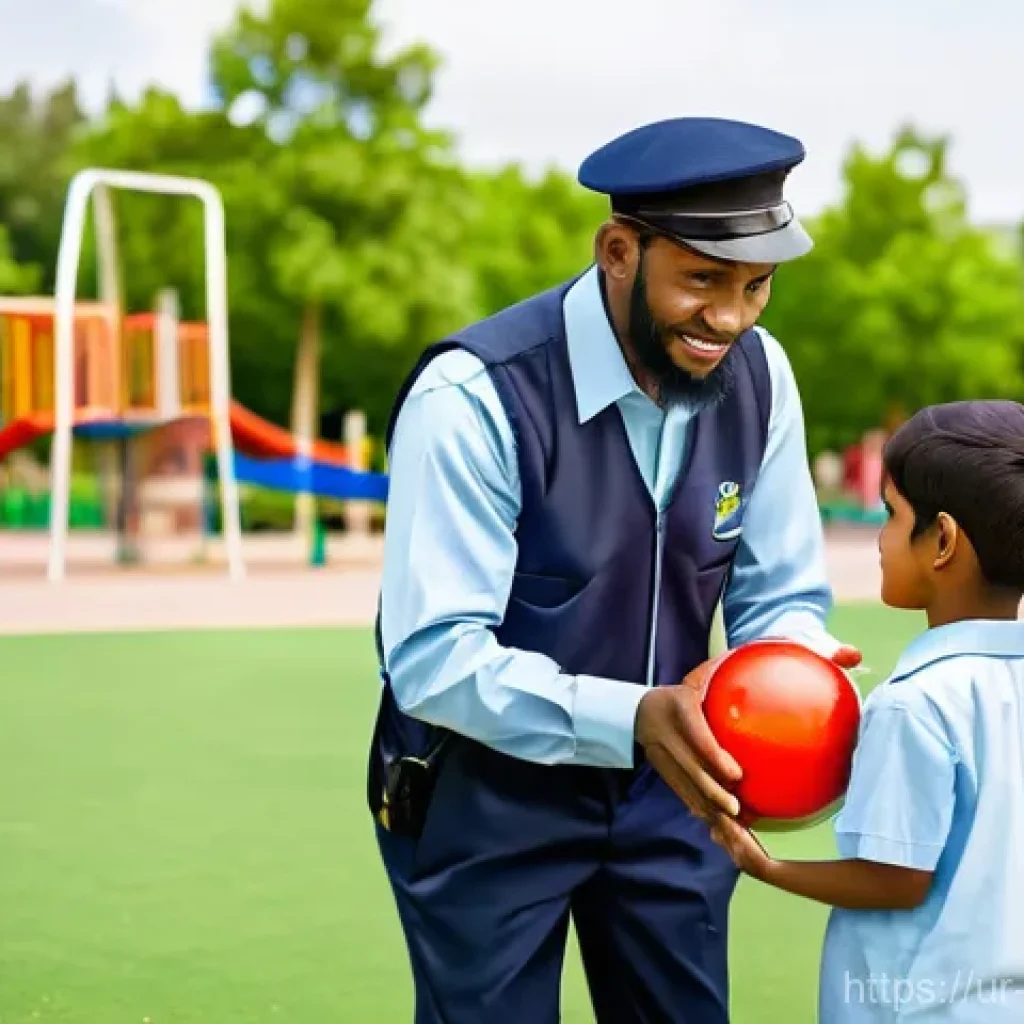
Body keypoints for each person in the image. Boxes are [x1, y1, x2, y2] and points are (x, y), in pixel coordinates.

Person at [367, 116, 861, 1023]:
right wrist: (632, 716)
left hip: (675, 797)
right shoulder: (473, 396)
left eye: (758, 286)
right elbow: (434, 655)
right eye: (704, 280)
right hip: (484, 796)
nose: (732, 318)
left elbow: (781, 598)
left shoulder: (762, 374)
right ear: (618, 250)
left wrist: (796, 674)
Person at [710, 400, 1024, 1022]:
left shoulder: (915, 702)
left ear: (942, 541)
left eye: (889, 513)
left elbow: (896, 879)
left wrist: (764, 864)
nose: (879, 537)